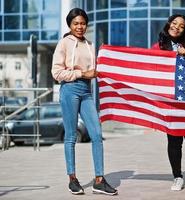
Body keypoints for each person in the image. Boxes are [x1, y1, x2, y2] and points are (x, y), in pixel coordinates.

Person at [51, 8, 117, 196]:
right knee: (71, 136)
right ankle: (72, 179)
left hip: (87, 91)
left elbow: (93, 70)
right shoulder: (63, 43)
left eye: (82, 23)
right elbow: (56, 73)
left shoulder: (90, 44)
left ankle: (99, 180)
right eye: (76, 23)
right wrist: (81, 73)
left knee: (96, 133)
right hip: (69, 90)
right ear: (70, 25)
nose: (80, 26)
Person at [152, 14, 185, 191]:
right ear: (168, 25)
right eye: (174, 23)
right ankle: (177, 176)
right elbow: (151, 71)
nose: (177, 27)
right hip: (170, 101)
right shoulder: (157, 47)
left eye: (181, 26)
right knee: (174, 140)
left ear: (184, 30)